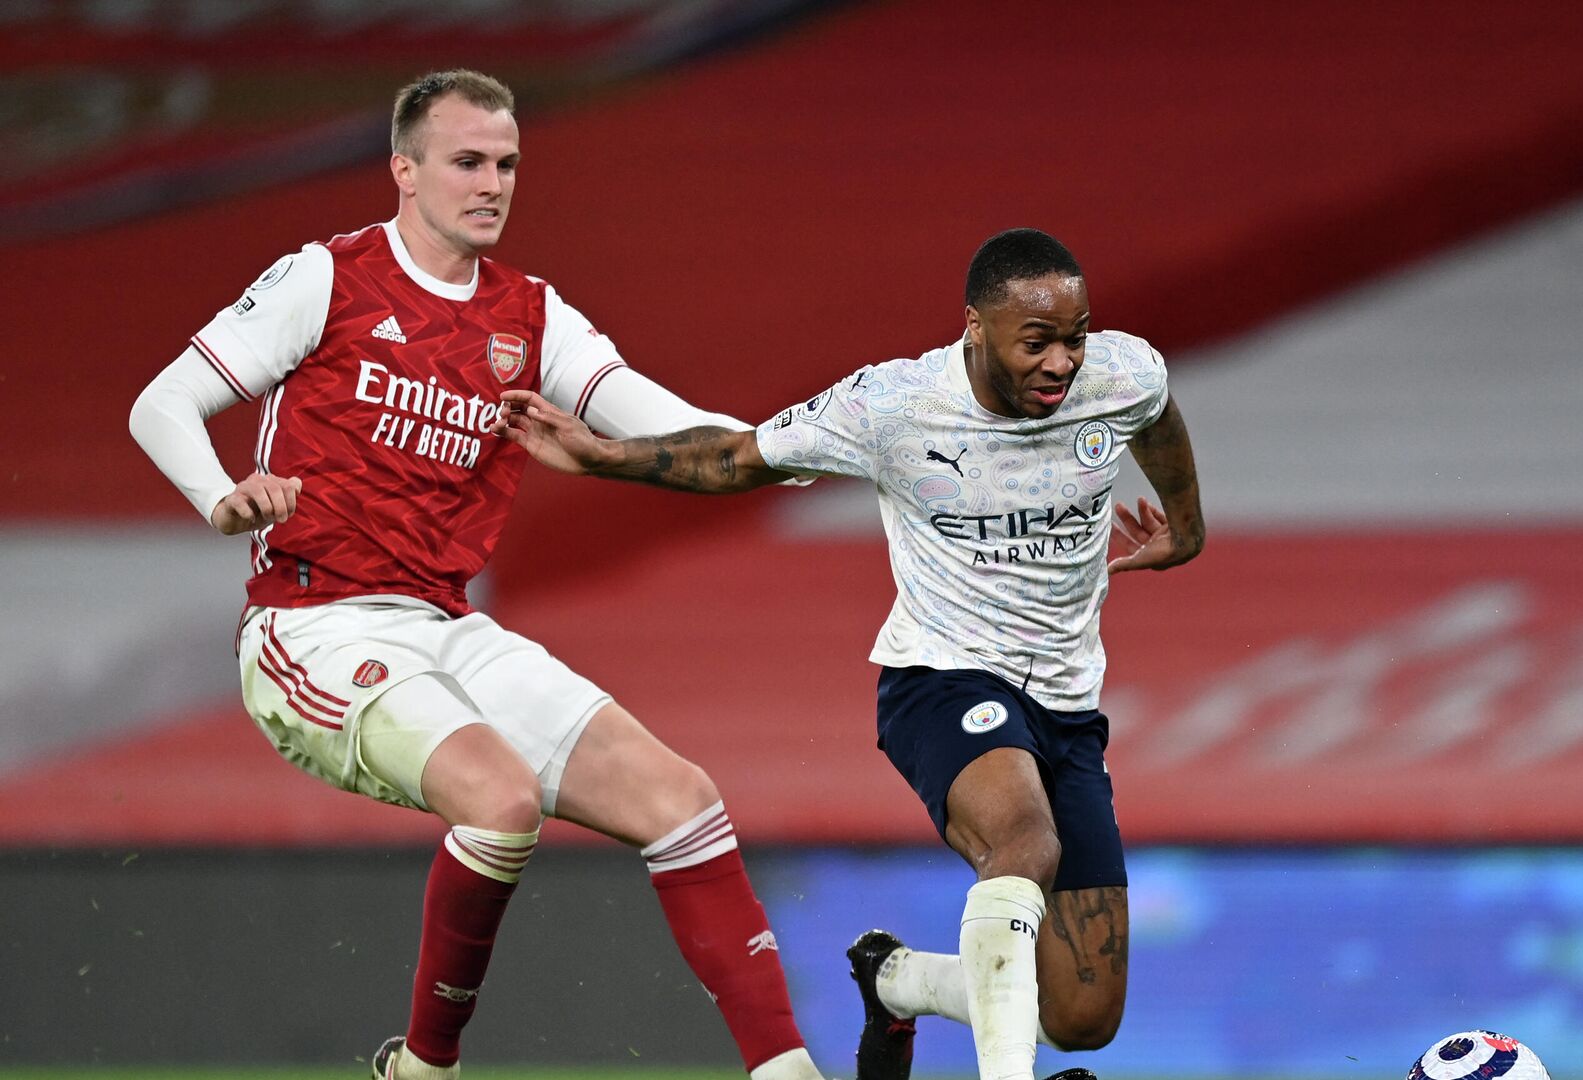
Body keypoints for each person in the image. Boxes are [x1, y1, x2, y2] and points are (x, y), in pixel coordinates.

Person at [127, 70, 836, 1080]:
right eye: (467, 162)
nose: (493, 183)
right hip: (313, 624)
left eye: (507, 164)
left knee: (680, 798)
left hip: (445, 628)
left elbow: (670, 424)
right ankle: (428, 1066)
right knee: (500, 800)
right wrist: (219, 496)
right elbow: (162, 404)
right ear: (403, 171)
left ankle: (786, 1072)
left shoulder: (532, 317)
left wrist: (826, 445)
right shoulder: (327, 279)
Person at [493, 227, 1207, 1080]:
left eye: (1076, 336)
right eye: (1038, 342)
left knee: (1081, 1017)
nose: (1063, 362)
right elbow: (738, 456)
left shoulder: (1123, 375)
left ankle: (895, 982)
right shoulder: (892, 406)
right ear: (975, 329)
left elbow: (1155, 415)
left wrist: (1187, 528)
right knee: (1027, 842)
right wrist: (604, 455)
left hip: (1066, 705)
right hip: (942, 679)